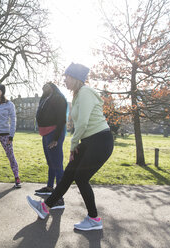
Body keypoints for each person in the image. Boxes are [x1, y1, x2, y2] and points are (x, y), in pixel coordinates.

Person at [26, 63, 114, 231]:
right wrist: (78, 145)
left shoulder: (86, 92)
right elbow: (80, 125)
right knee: (68, 174)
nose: (64, 80)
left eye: (66, 76)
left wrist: (73, 146)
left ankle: (94, 219)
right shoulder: (78, 95)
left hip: (101, 141)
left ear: (75, 78)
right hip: (89, 142)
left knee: (80, 178)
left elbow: (82, 123)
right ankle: (45, 208)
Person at [35, 82, 68, 209]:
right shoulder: (45, 98)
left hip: (54, 133)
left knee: (57, 164)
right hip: (45, 133)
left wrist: (55, 138)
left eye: (47, 85)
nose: (44, 87)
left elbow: (61, 119)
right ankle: (50, 187)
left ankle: (59, 198)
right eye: (43, 86)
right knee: (51, 163)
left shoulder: (58, 98)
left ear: (53, 87)